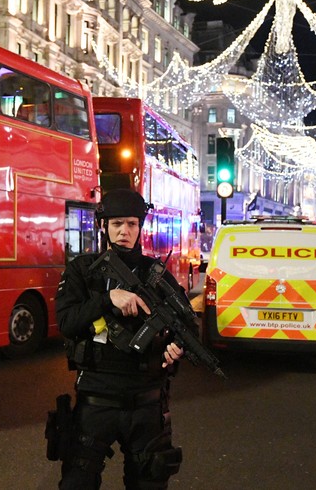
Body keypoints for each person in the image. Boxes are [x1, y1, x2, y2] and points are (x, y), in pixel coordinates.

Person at [53, 188, 187, 489]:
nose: (125, 231)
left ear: (140, 228)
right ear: (104, 226)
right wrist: (107, 298)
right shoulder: (82, 270)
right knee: (77, 482)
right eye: (117, 224)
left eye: (131, 224)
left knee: (150, 481)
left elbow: (185, 322)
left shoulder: (156, 273)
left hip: (147, 401)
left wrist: (178, 345)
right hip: (97, 401)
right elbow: (67, 322)